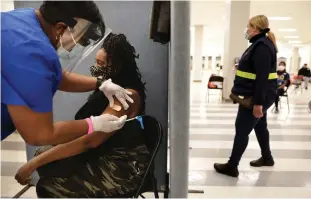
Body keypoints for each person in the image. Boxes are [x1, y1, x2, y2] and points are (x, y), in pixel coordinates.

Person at [15, 33, 149, 198]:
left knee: (47, 186)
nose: (95, 67)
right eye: (96, 62)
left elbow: (90, 141)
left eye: (101, 63)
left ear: (117, 67)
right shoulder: (108, 88)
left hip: (121, 166)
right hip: (103, 151)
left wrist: (31, 165)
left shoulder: (124, 95)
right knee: (44, 158)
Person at [1, 1, 133, 145]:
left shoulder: (23, 19)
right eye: (82, 40)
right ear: (60, 28)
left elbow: (52, 75)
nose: (79, 45)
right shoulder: (33, 54)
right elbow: (40, 135)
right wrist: (93, 124)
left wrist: (100, 83)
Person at [214, 15, 277, 177]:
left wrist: (258, 104)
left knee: (242, 129)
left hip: (255, 96)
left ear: (255, 28)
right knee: (260, 125)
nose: (246, 30)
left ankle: (232, 166)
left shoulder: (261, 47)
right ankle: (267, 157)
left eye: (248, 26)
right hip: (260, 94)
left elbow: (262, 77)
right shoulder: (258, 45)